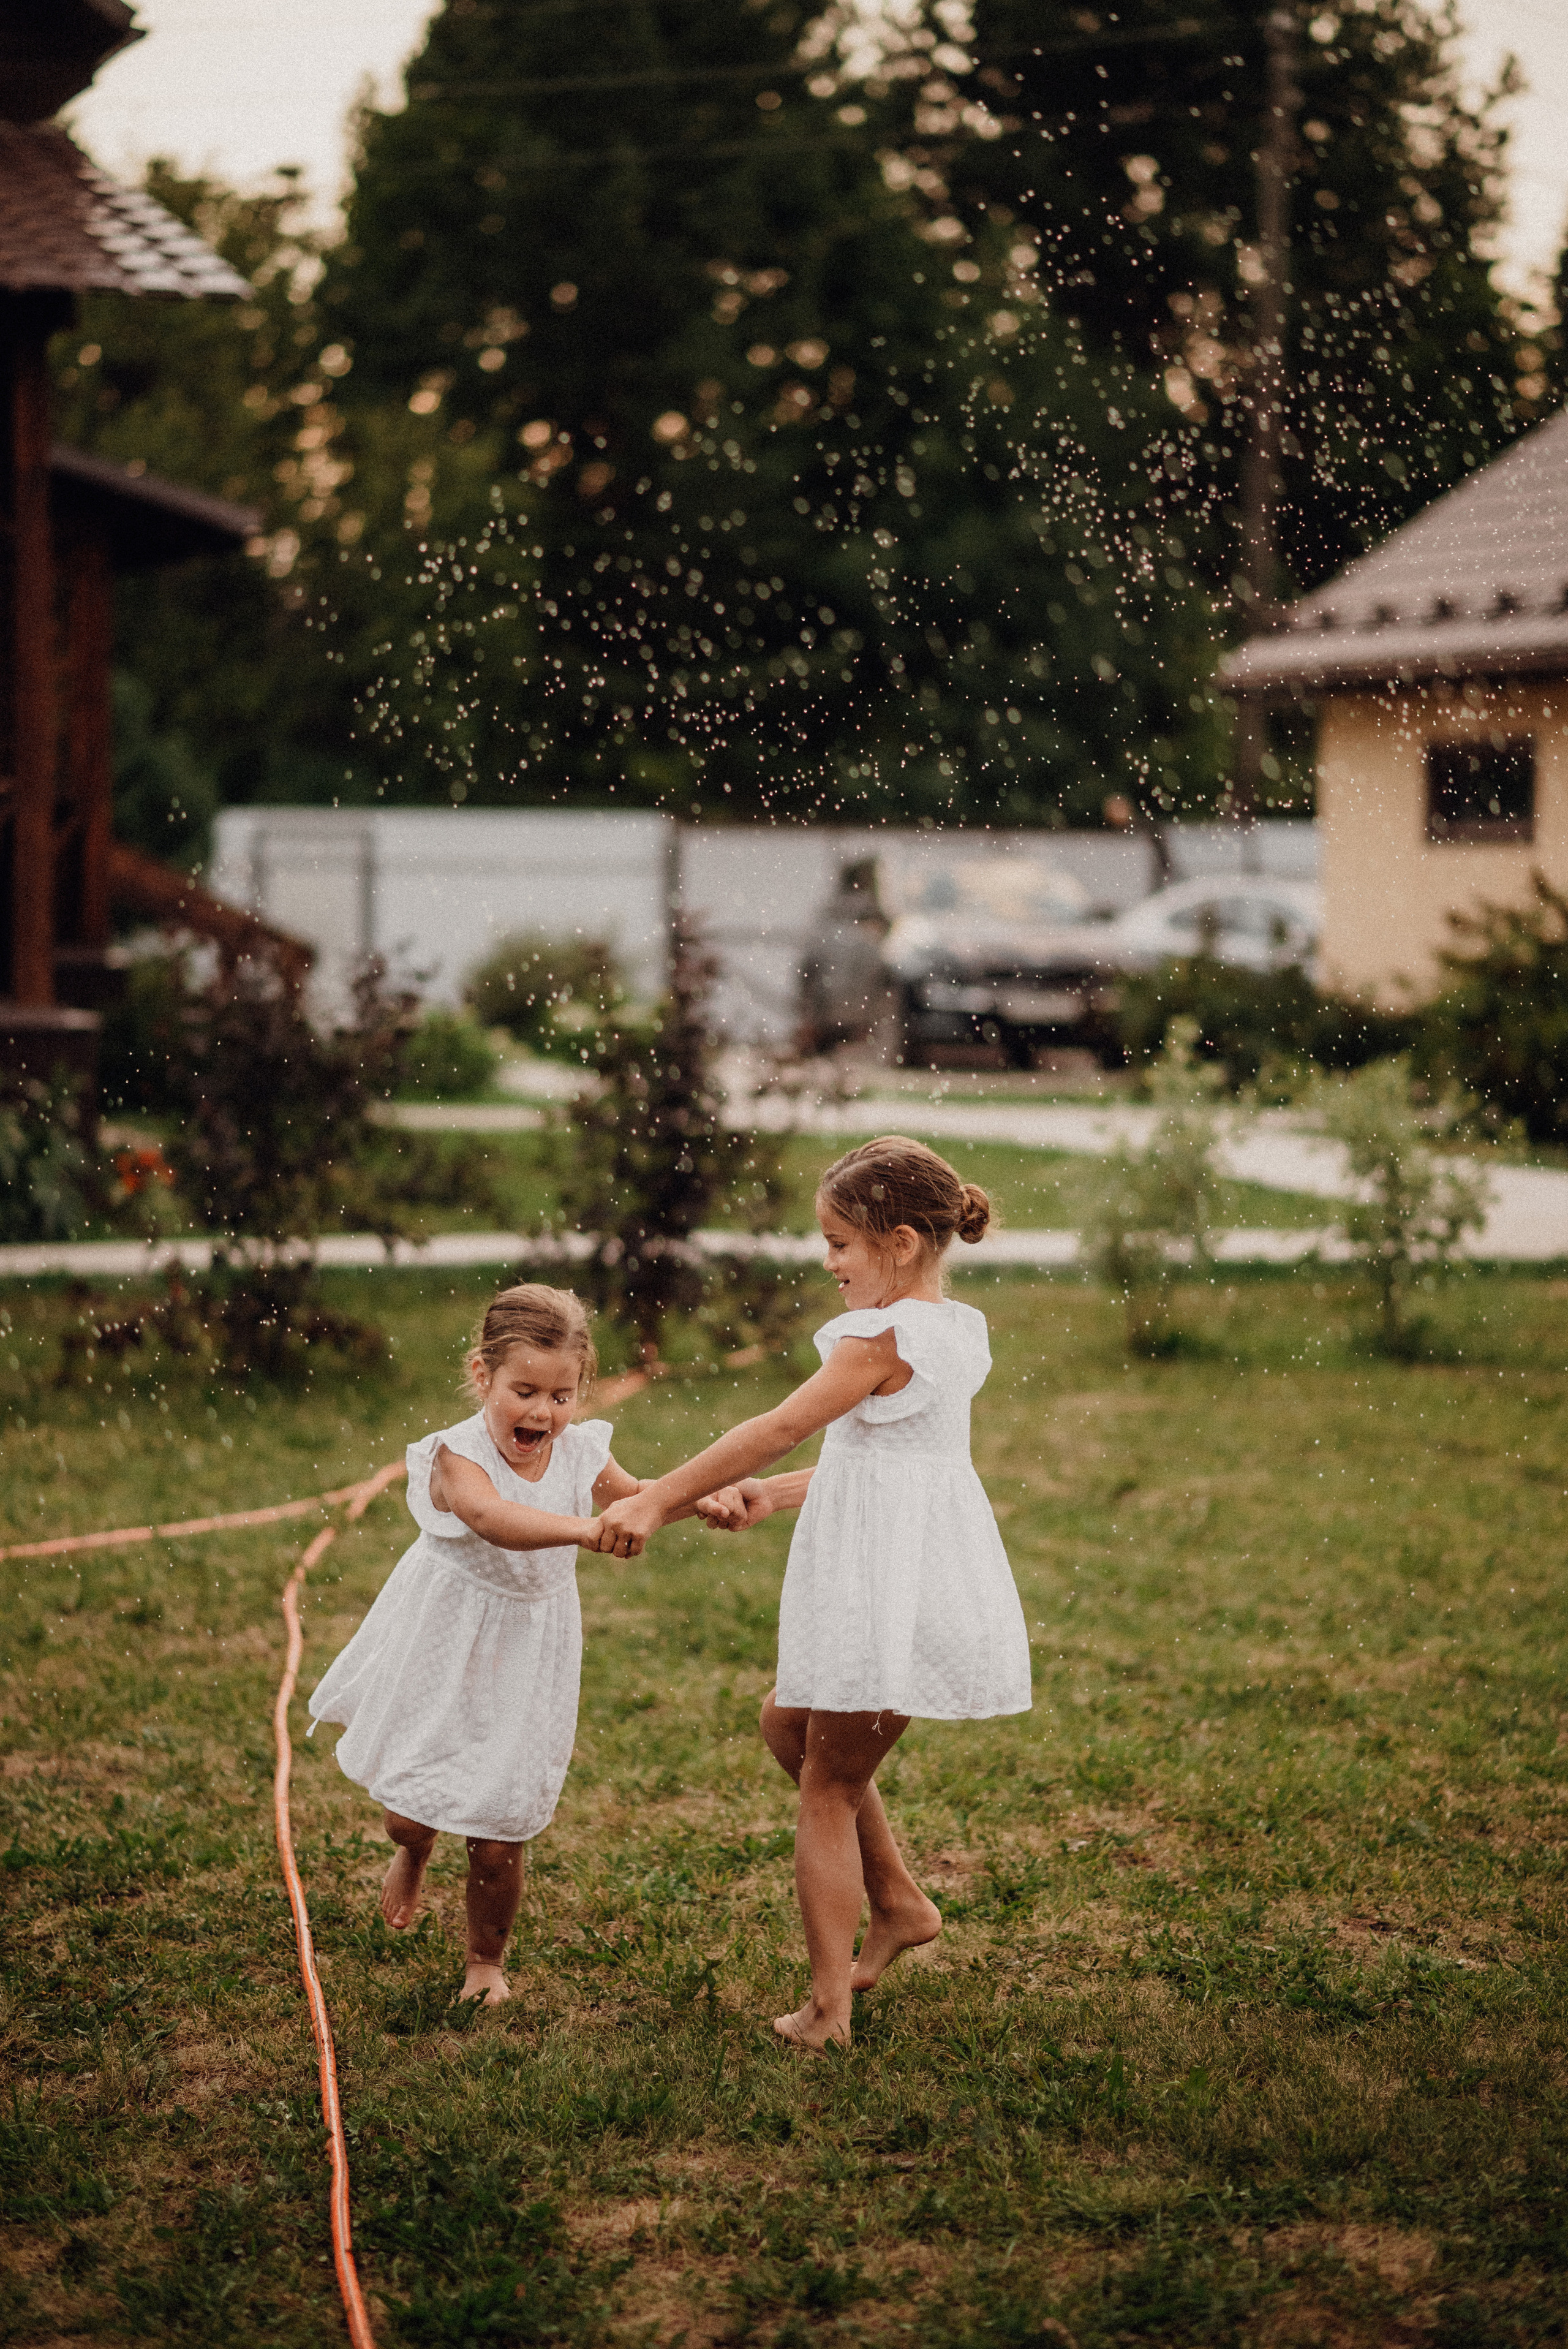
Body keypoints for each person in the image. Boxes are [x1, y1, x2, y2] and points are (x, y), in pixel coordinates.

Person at [598, 1136, 1032, 2049]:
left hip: (892, 1588)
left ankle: (829, 2009)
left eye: (841, 1242)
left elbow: (780, 1425)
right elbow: (889, 1457)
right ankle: (902, 1904)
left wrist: (655, 1496)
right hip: (902, 1572)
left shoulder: (881, 1337)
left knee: (828, 1785)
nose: (829, 1262)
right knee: (789, 1729)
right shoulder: (946, 1326)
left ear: (901, 1242)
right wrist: (778, 1494)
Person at [308, 1282, 677, 2006]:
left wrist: (702, 1495)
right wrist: (585, 1532)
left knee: (501, 1820)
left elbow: (637, 1495)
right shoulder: (456, 1456)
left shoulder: (578, 1451)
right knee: (411, 1806)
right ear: (483, 1376)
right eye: (525, 1390)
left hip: (531, 1647)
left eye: (563, 1395)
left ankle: (484, 1962)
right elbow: (490, 1517)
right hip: (446, 1638)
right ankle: (412, 1853)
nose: (543, 1412)